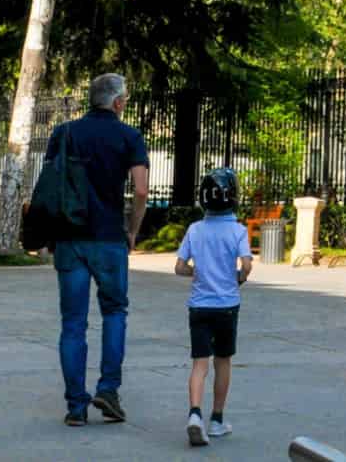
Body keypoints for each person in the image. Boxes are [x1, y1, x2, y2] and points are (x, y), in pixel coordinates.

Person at [46, 72, 149, 427]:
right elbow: (140, 191)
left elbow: (49, 183)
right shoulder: (129, 136)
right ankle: (108, 389)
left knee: (73, 323)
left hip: (70, 238)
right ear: (117, 102)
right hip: (108, 239)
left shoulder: (64, 132)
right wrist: (132, 230)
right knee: (114, 313)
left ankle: (76, 405)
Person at [174, 168, 252, 447]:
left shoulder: (195, 230)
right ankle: (216, 419)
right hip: (227, 306)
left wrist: (197, 271)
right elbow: (246, 264)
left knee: (199, 363)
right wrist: (238, 278)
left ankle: (194, 413)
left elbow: (179, 267)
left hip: (199, 306)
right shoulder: (238, 230)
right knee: (223, 362)